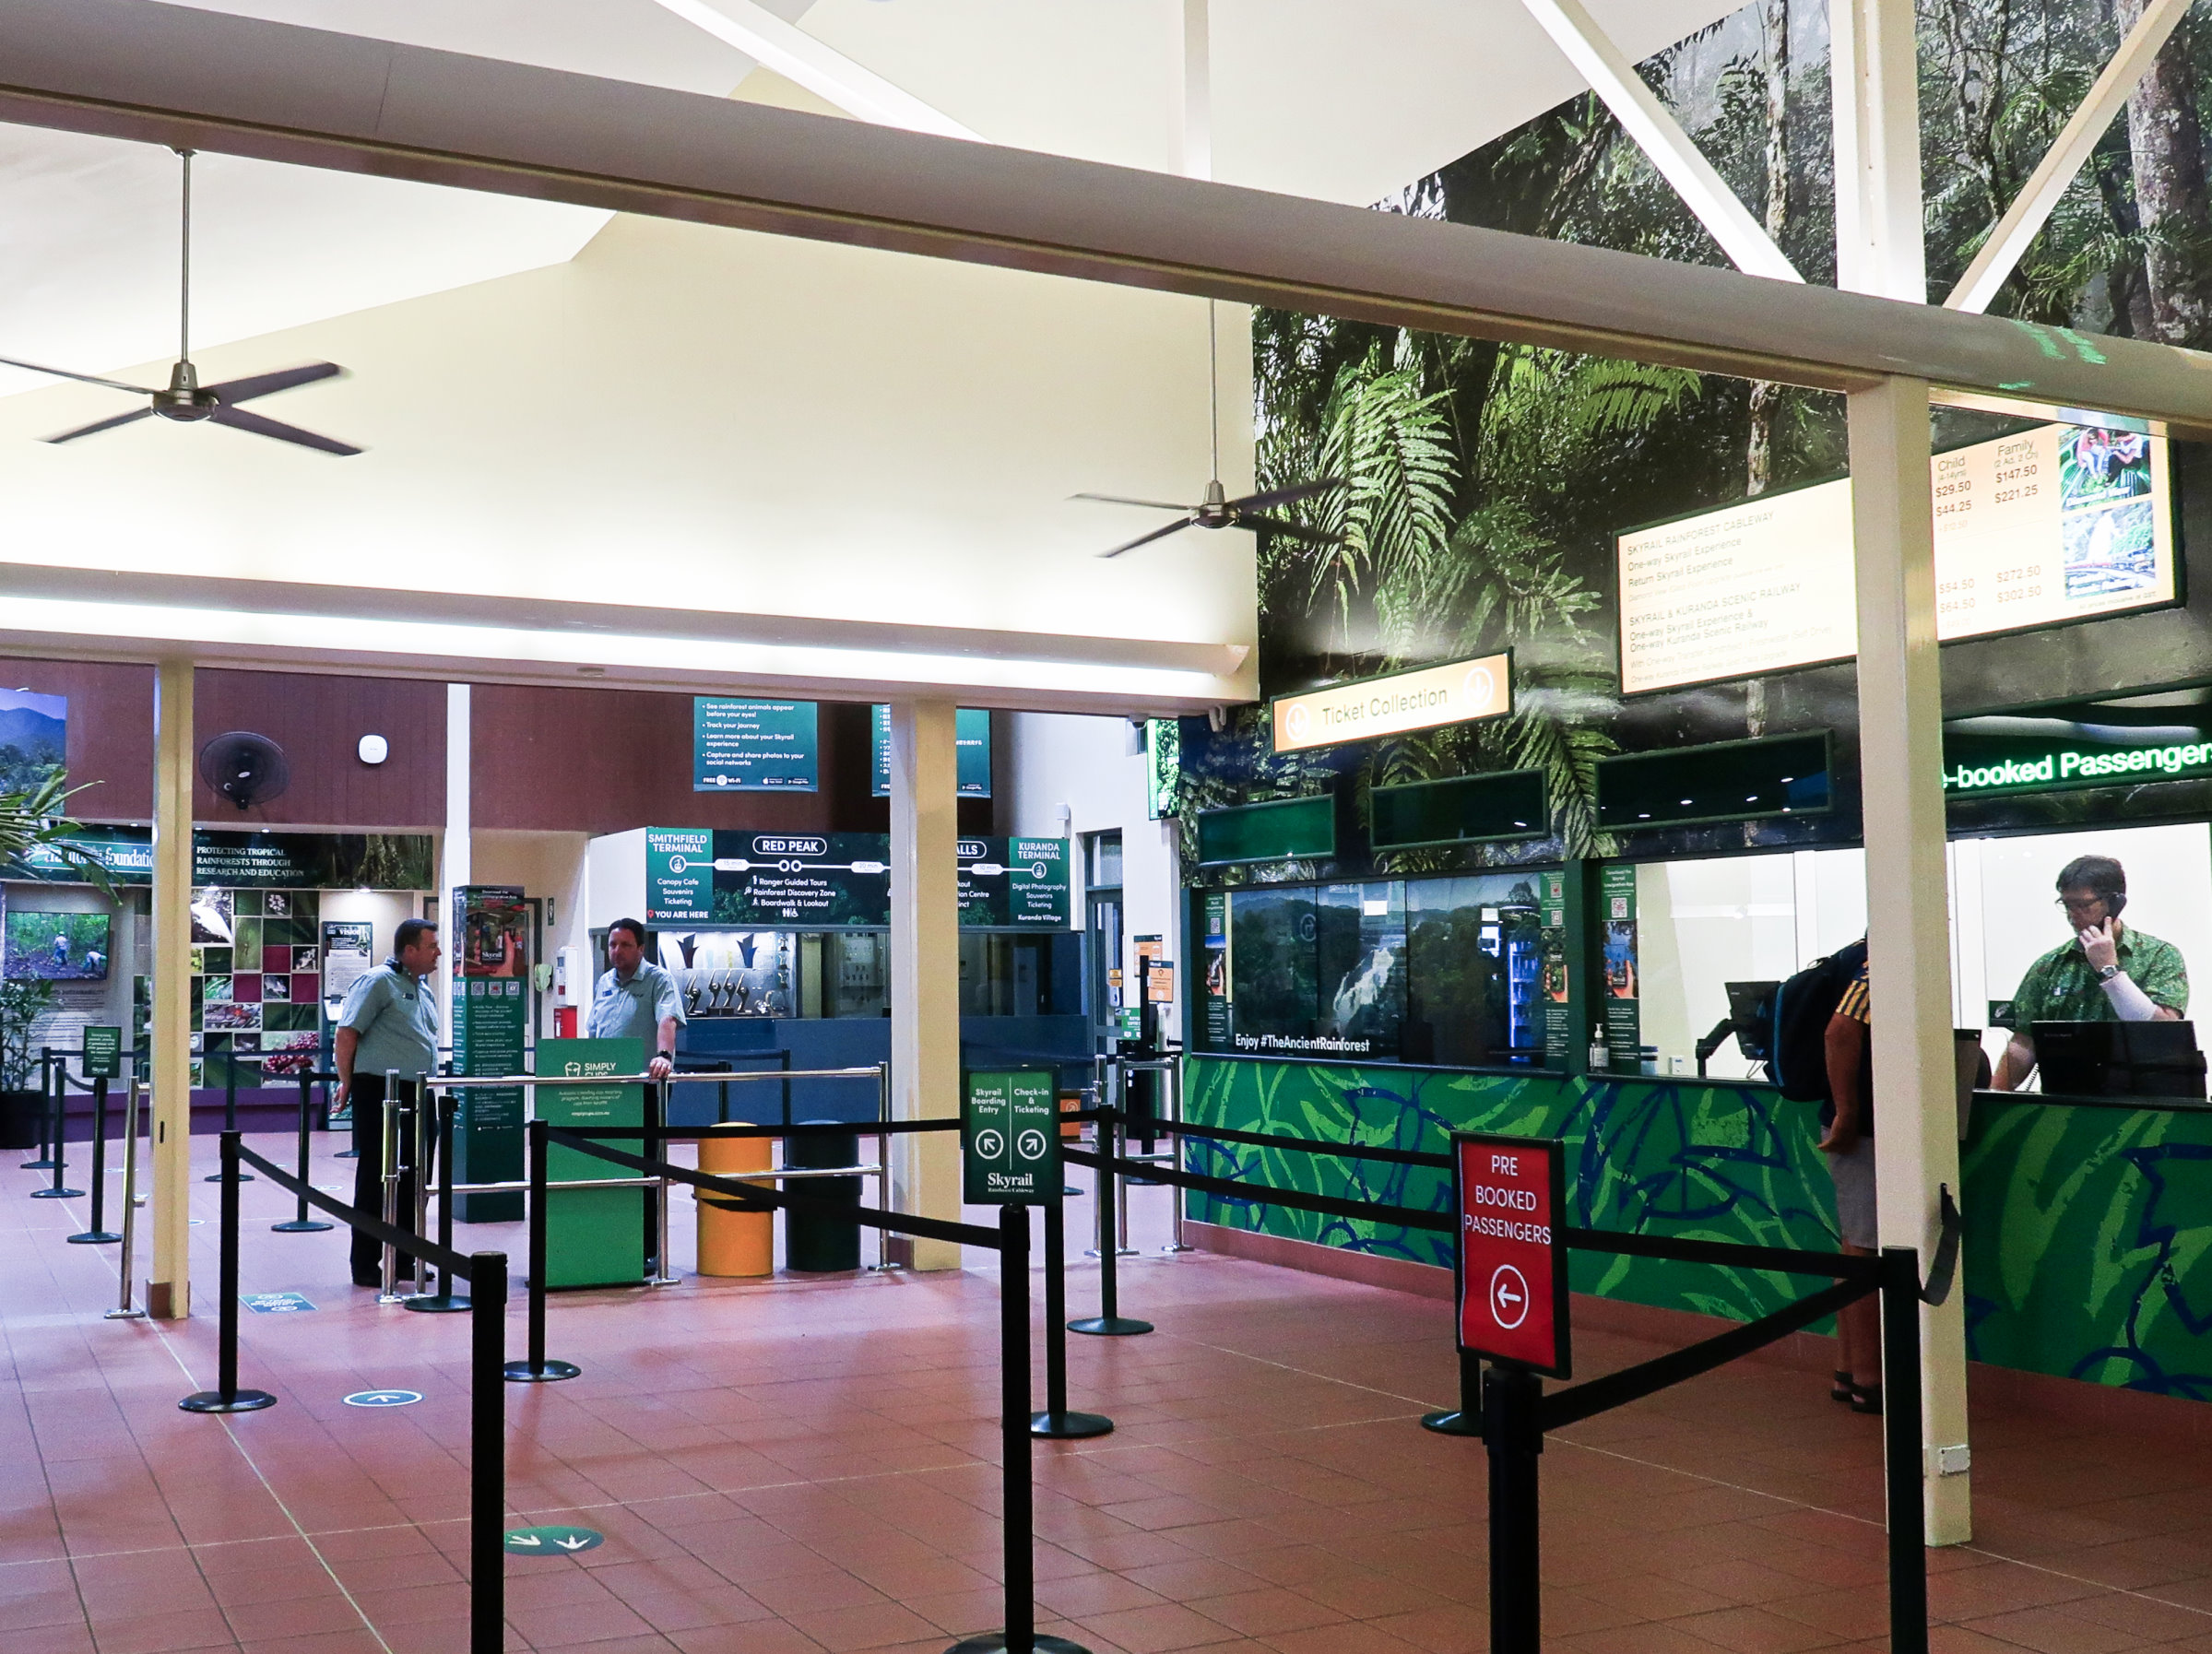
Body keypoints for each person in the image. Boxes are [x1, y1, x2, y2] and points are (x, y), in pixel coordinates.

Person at [1993, 856, 2187, 1091]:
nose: (2072, 915)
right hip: (2065, 1099)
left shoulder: (2159, 956)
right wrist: (1992, 1097)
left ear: (2115, 903)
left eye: (2083, 905)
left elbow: (2163, 1031)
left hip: (2144, 1101)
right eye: (2067, 905)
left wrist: (2110, 972)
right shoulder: (2050, 966)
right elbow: (2024, 1041)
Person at [334, 919, 442, 1289]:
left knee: (416, 1176)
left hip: (419, 1092)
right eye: (431, 946)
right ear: (410, 950)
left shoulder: (421, 988)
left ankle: (405, 1257)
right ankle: (365, 1263)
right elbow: (346, 1033)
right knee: (377, 1177)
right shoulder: (378, 982)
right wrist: (347, 1082)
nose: (438, 953)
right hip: (380, 1091)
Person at [1820, 943, 1882, 1414]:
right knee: (1864, 1246)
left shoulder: (1855, 959)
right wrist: (1847, 1113)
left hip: (1862, 1126)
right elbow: (1840, 1030)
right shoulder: (1878, 964)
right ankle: (1869, 1379)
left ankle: (1848, 1369)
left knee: (1854, 1244)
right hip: (1864, 1130)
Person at [589, 918, 684, 1079]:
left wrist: (664, 1056)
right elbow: (594, 1030)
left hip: (646, 1079)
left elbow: (667, 1020)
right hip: (608, 1078)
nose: (617, 951)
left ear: (641, 949)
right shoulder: (604, 982)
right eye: (613, 945)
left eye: (625, 945)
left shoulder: (659, 980)